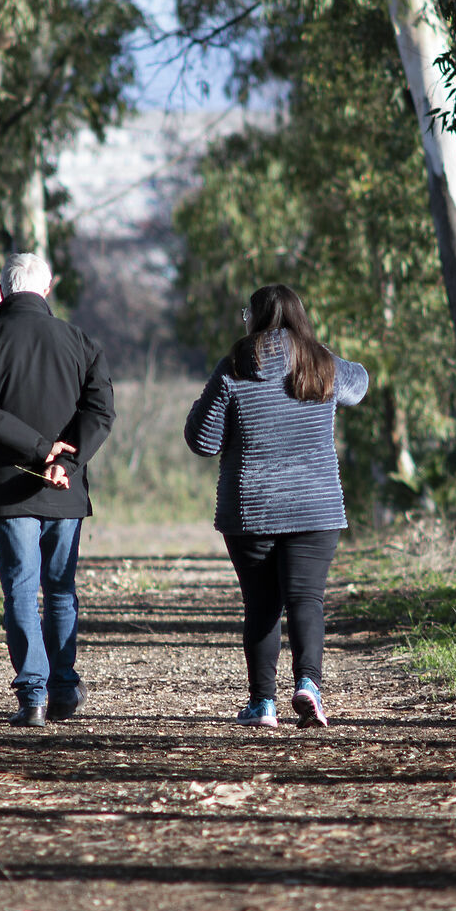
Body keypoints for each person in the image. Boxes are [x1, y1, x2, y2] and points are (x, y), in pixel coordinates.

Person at [185, 283, 368, 728]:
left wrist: (207, 406)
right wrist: (327, 356)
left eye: (245, 312)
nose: (242, 319)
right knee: (307, 598)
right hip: (316, 505)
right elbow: (359, 385)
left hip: (252, 507)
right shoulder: (321, 361)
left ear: (256, 316)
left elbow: (203, 441)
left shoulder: (235, 364)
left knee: (262, 604)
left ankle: (262, 705)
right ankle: (308, 684)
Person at [0, 253, 116, 727]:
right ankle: (64, 687)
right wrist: (65, 458)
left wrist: (39, 449)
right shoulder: (81, 342)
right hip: (64, 488)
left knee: (21, 591)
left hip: (9, 489)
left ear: (1, 292)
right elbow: (101, 411)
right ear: (46, 291)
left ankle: (33, 697)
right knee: (61, 590)